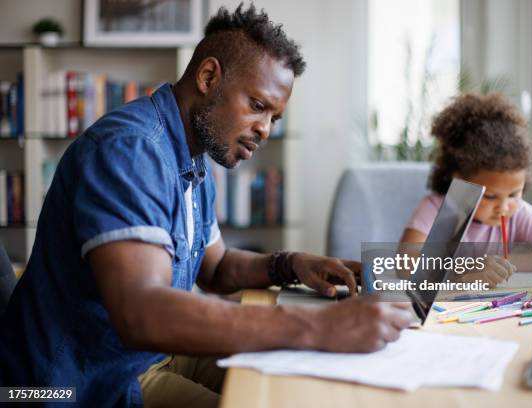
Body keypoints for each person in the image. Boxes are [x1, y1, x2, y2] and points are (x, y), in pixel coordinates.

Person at [0, 4, 417, 407]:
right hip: (83, 383)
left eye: (274, 117)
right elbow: (142, 313)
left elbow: (216, 269)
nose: (265, 129)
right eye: (258, 105)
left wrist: (292, 264)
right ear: (208, 76)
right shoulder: (130, 151)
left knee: (310, 383)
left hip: (147, 354)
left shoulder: (191, 155)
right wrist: (322, 324)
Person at [400, 93, 532, 287]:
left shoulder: (519, 212)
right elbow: (406, 262)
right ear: (459, 180)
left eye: (514, 194)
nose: (504, 207)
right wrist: (466, 268)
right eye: (490, 196)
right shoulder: (437, 208)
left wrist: (507, 263)